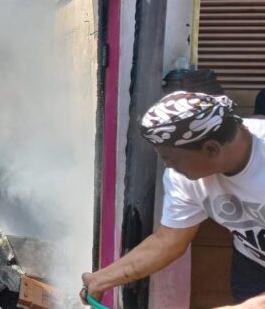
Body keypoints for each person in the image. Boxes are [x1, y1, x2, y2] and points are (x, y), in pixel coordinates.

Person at [80, 91, 265, 307]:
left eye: (171, 158)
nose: (167, 166)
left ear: (211, 149)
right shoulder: (184, 176)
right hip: (253, 265)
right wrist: (101, 279)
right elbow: (169, 240)